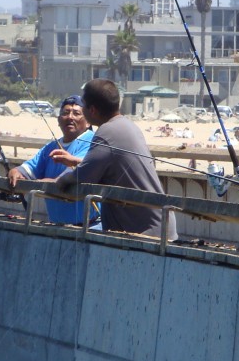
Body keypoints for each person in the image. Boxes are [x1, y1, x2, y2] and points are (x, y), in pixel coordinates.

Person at [55, 78, 177, 240]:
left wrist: (61, 181)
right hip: (160, 226)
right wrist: (76, 161)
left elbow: (82, 176)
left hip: (145, 233)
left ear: (92, 110)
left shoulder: (106, 132)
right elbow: (110, 164)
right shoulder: (128, 125)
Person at [7, 95, 100, 225]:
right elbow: (29, 168)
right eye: (65, 113)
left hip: (89, 226)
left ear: (88, 121)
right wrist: (16, 171)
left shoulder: (92, 142)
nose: (70, 117)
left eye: (77, 113)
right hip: (57, 226)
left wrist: (37, 183)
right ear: (58, 120)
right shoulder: (50, 147)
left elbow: (64, 180)